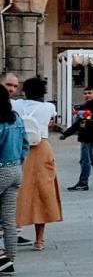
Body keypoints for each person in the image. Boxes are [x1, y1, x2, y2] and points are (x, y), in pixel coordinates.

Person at [14, 77, 59, 252]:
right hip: (41, 148)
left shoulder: (17, 105)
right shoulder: (49, 107)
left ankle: (12, 233)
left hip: (19, 149)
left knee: (17, 192)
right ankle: (39, 240)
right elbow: (51, 122)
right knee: (43, 192)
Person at [0, 91, 25, 275]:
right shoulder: (15, 119)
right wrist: (18, 161)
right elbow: (26, 143)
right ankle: (10, 259)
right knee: (9, 219)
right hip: (15, 170)